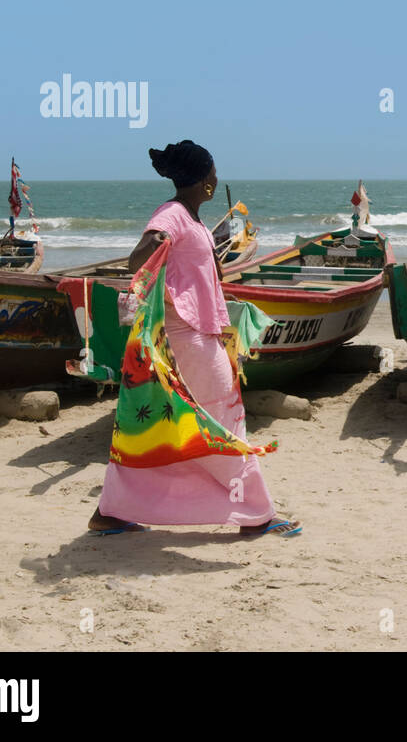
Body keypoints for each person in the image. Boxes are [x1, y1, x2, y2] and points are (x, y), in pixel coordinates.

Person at [88, 140, 300, 538]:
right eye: (214, 172)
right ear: (204, 179)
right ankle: (255, 514)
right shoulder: (173, 215)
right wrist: (155, 260)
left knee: (161, 427)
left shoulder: (192, 218)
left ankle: (112, 511)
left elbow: (192, 272)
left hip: (193, 334)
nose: (217, 178)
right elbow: (143, 253)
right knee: (225, 420)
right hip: (188, 339)